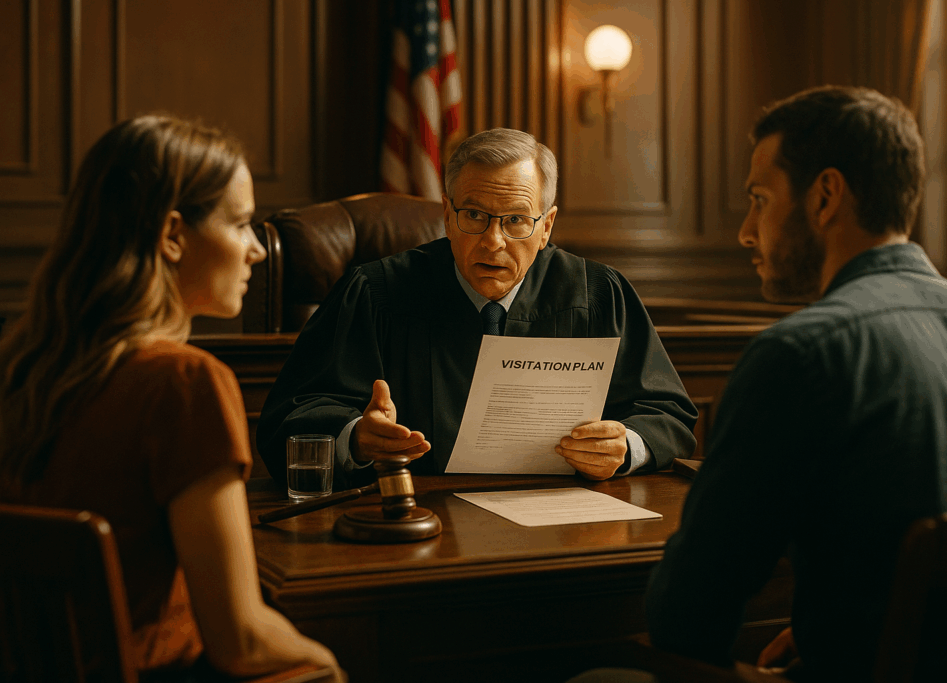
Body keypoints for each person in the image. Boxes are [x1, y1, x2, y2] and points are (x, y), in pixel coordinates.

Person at [644, 86, 947, 682]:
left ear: (825, 196)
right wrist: (859, 628)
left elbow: (685, 624)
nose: (747, 232)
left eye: (758, 200)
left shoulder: (799, 356)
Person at [0, 116, 344, 682]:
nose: (257, 249)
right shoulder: (183, 384)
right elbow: (241, 642)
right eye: (239, 224)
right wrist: (333, 666)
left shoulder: (25, 368)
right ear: (172, 235)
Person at [257, 128, 697, 489]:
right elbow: (289, 422)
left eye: (517, 220)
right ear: (447, 215)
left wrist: (624, 448)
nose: (493, 241)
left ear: (547, 227)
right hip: (420, 525)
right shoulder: (375, 294)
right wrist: (355, 439)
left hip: (564, 525)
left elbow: (669, 417)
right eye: (474, 216)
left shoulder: (599, 294)